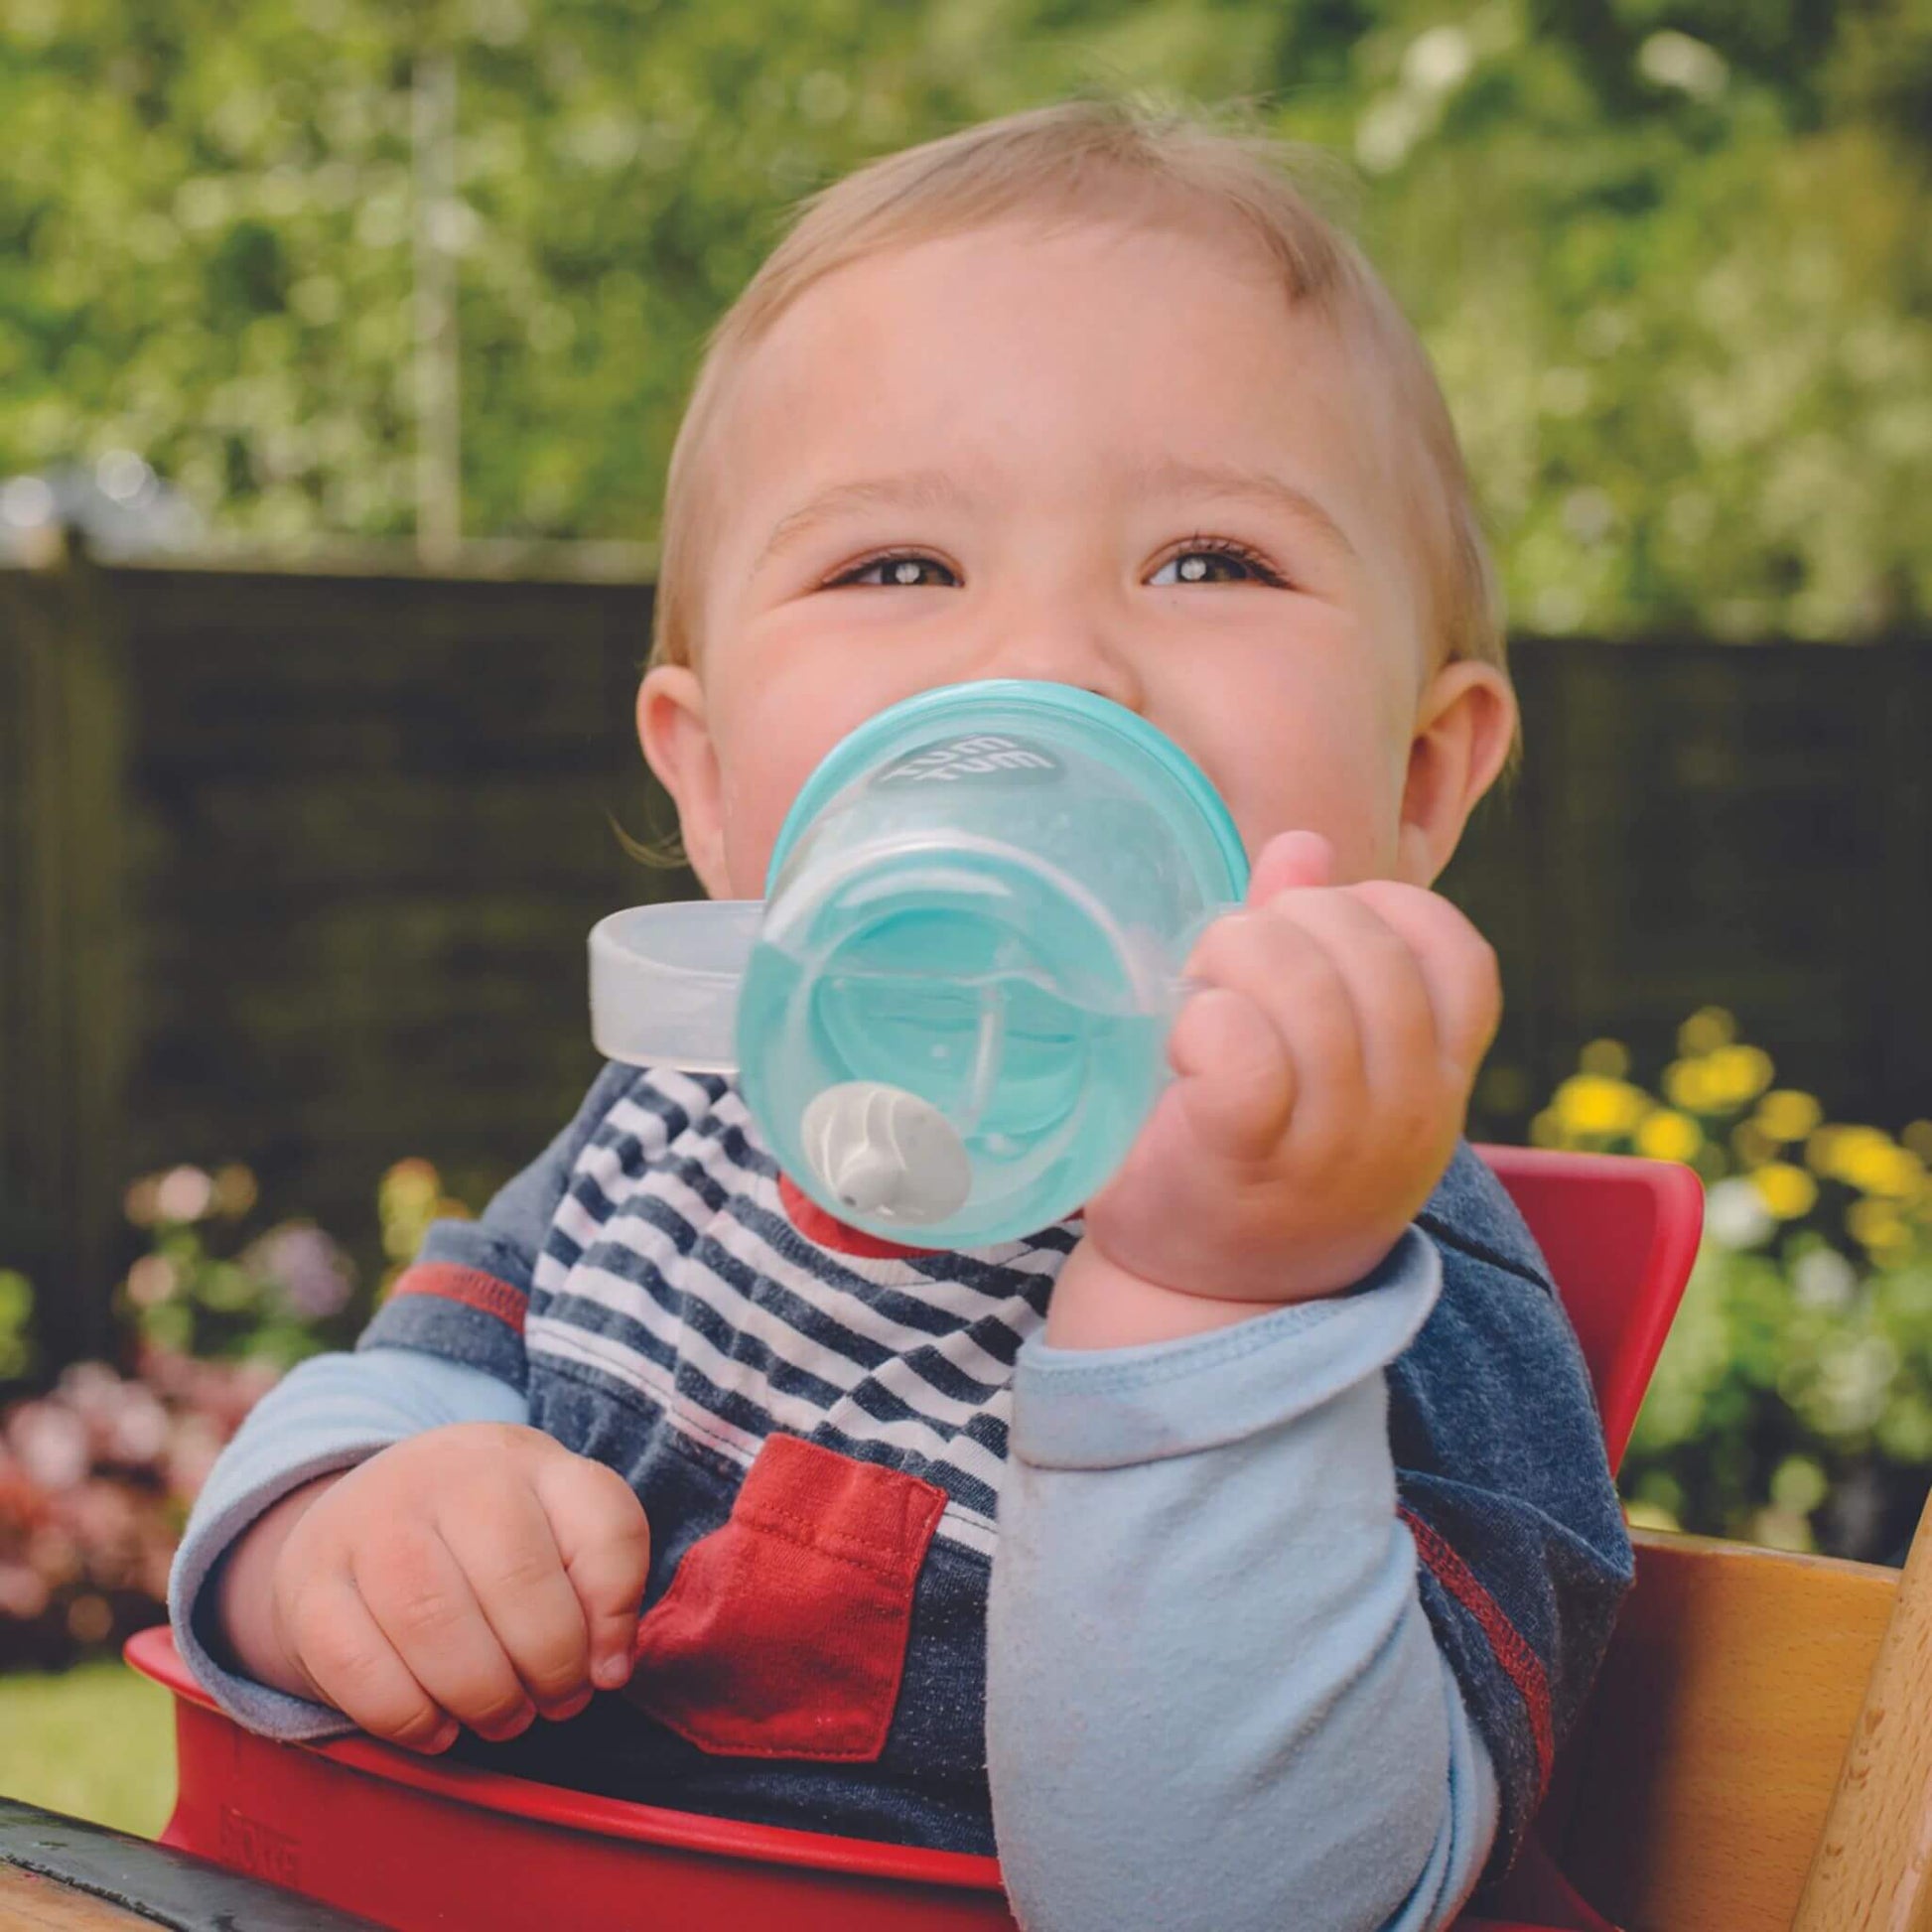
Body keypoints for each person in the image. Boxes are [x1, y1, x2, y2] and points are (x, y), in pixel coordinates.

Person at [169, 98, 1630, 1932]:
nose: (1042, 667)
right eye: (898, 569)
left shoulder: (1386, 1282)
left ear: (1422, 780)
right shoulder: (676, 1123)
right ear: (710, 792)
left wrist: (1208, 1303)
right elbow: (378, 1401)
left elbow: (1241, 1902)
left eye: (1207, 562)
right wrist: (349, 1529)